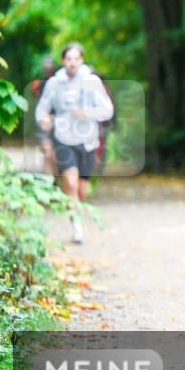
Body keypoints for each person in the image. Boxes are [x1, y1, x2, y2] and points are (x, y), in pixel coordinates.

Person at [35, 42, 114, 244]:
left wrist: (86, 113)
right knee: (70, 183)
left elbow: (108, 110)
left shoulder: (92, 81)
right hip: (63, 138)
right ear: (63, 61)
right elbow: (42, 109)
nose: (72, 63)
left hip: (88, 140)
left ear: (82, 60)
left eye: (76, 59)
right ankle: (76, 228)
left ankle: (78, 212)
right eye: (68, 59)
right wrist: (43, 120)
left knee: (81, 190)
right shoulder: (54, 83)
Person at [31, 55, 58, 176]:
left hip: (59, 122)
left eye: (50, 67)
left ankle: (55, 180)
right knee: (47, 152)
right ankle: (48, 180)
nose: (48, 69)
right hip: (45, 121)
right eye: (46, 67)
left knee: (56, 153)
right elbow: (37, 100)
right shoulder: (39, 84)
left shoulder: (60, 83)